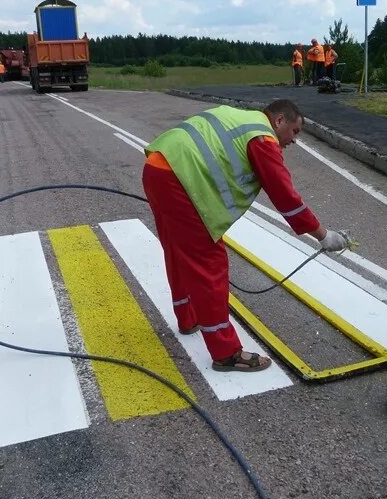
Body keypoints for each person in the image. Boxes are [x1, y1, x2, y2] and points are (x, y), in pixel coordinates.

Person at [143, 99, 349, 373]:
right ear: (279, 121)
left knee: (179, 249)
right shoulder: (262, 138)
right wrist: (324, 236)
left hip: (158, 167)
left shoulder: (241, 119)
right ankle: (226, 353)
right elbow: (286, 198)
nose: (294, 141)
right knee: (209, 261)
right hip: (180, 181)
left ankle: (187, 316)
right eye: (295, 132)